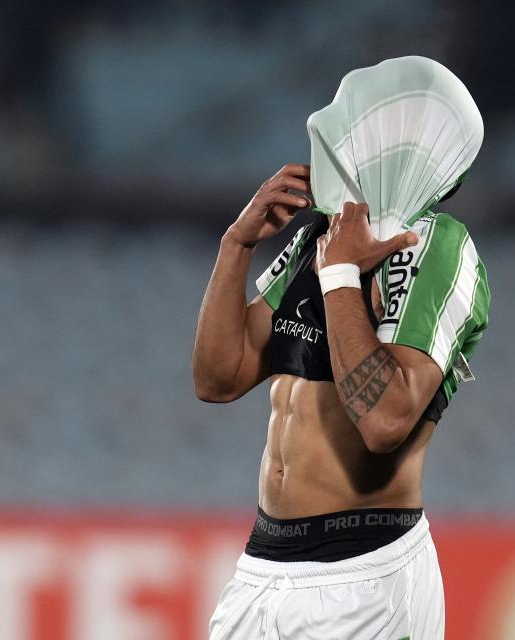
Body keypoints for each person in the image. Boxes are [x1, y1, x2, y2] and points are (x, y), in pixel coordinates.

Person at [193, 57, 490, 639]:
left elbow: (385, 421)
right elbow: (218, 378)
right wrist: (236, 245)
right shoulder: (319, 238)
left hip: (365, 572)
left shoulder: (438, 247)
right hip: (262, 565)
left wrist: (340, 278)